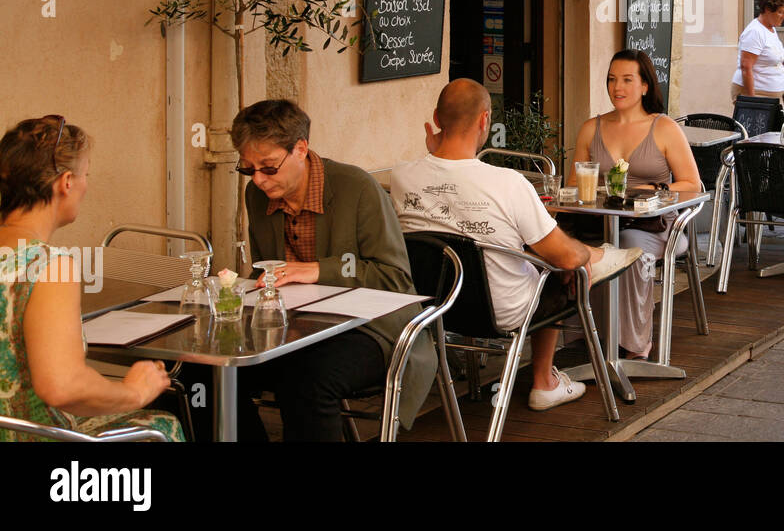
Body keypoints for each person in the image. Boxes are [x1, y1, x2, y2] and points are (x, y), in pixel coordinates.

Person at [191, 99, 436, 441]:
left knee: (306, 377)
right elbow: (268, 271)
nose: (258, 180)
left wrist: (317, 270)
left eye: (269, 167)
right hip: (292, 327)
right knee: (202, 370)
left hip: (372, 330)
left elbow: (394, 279)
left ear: (301, 149)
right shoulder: (257, 197)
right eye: (248, 169)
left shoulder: (357, 188)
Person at [389, 79, 641, 410]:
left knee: (540, 260)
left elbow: (444, 195)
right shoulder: (508, 183)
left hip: (432, 309)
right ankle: (544, 383)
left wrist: (435, 154)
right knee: (562, 272)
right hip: (502, 312)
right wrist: (589, 255)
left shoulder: (401, 176)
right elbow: (564, 257)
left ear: (436, 118)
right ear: (484, 121)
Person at [0, 116, 183, 441]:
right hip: (40, 442)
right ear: (66, 181)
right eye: (87, 174)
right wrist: (134, 391)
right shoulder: (47, 267)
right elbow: (62, 386)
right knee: (163, 423)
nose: (87, 184)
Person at [571, 50, 703, 359]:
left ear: (645, 86)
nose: (617, 87)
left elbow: (692, 184)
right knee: (570, 244)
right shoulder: (592, 128)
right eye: (612, 80)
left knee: (627, 245)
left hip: (654, 225)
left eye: (627, 80)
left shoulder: (665, 127)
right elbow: (575, 184)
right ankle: (586, 334)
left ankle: (633, 345)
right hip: (603, 220)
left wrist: (655, 188)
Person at [732, 0, 784, 103]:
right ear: (768, 9)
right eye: (780, 12)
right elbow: (746, 67)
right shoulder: (755, 32)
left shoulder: (771, 29)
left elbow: (766, 56)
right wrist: (752, 103)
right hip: (757, 94)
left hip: (770, 96)